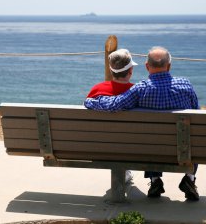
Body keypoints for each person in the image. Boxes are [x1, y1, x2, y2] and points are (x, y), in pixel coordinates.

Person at [84, 46, 200, 201]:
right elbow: (197, 114)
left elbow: (114, 105)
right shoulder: (186, 85)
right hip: (182, 149)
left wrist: (91, 101)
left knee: (151, 138)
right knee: (192, 134)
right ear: (169, 66)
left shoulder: (140, 89)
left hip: (151, 149)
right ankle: (190, 179)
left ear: (147, 66)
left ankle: (155, 180)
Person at [86, 48, 138, 183]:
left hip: (101, 146)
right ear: (130, 71)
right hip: (134, 147)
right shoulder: (137, 91)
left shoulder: (97, 89)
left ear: (111, 70)